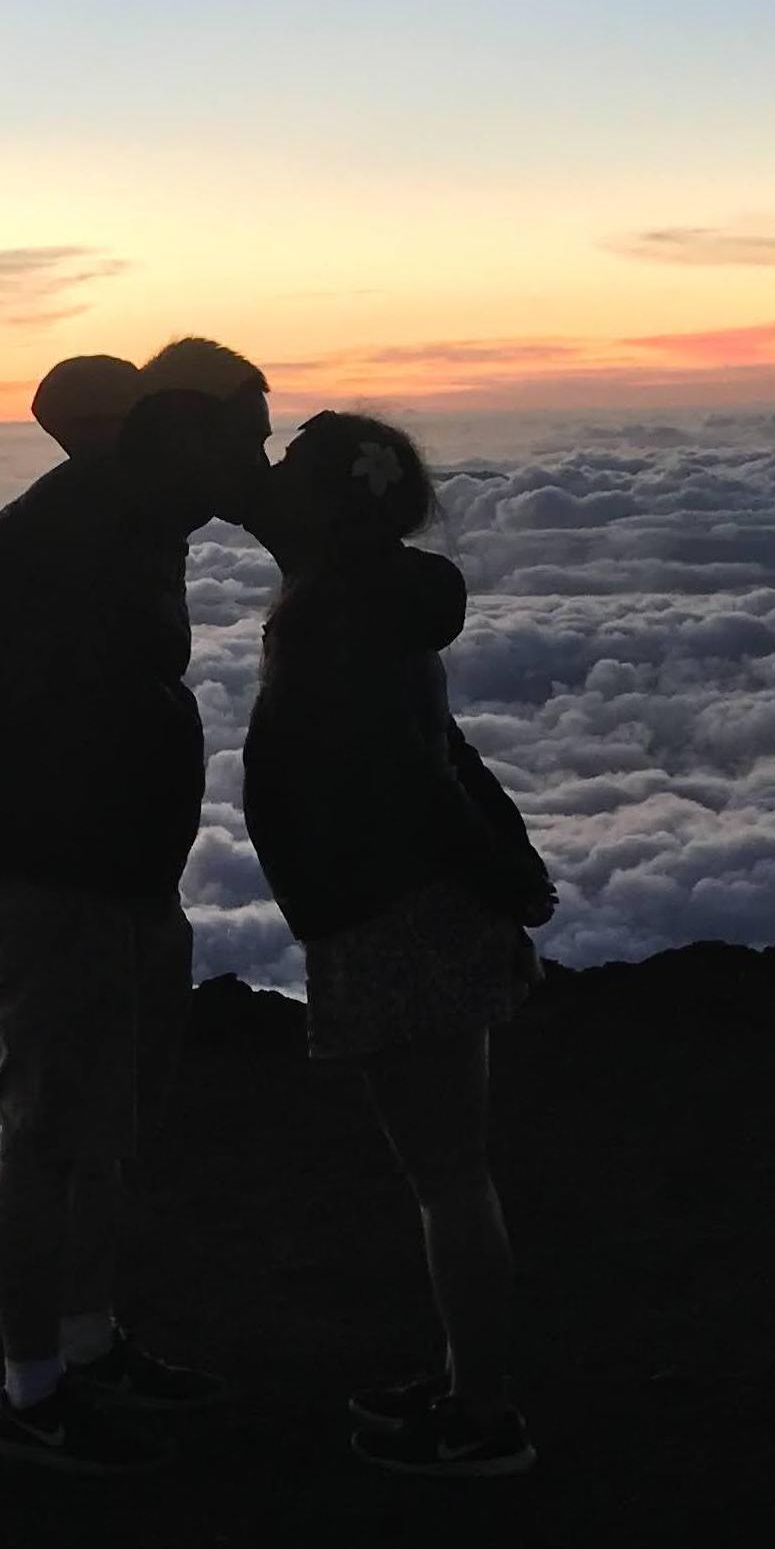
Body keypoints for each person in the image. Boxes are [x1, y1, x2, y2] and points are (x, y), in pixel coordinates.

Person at [0, 337, 273, 1473]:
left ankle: (88, 1343)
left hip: (120, 874)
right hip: (51, 875)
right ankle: (31, 1394)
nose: (259, 458)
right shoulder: (73, 532)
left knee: (107, 1128)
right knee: (47, 1132)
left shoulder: (138, 519)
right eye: (247, 435)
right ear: (187, 434)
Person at [241, 412, 552, 1477]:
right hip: (424, 902)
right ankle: (468, 1386)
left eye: (289, 472)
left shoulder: (336, 615)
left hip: (396, 909)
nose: (269, 483)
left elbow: (407, 776)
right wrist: (507, 868)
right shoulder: (379, 603)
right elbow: (439, 752)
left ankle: (483, 1419)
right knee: (447, 1174)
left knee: (449, 1179)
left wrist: (498, 872)